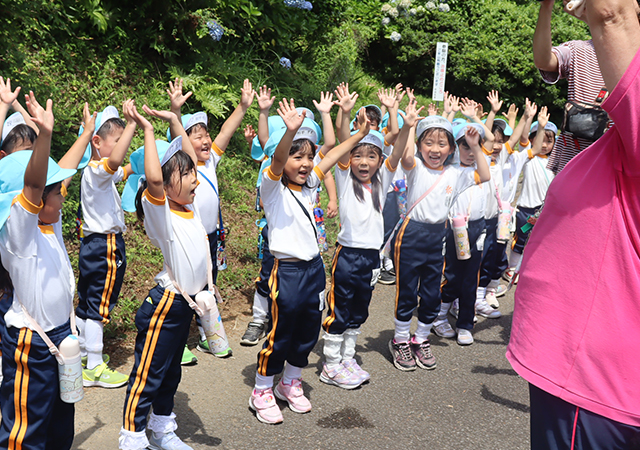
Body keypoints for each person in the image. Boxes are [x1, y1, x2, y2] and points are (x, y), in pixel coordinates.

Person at [507, 0, 640, 446]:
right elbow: (545, 61)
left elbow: (613, 13)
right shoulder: (580, 51)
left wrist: (613, 20)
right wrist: (546, 11)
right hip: (602, 372)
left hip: (595, 383)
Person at [249, 101, 370, 425]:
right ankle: (262, 389)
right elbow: (276, 160)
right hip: (286, 273)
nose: (304, 164)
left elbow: (330, 156)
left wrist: (359, 135)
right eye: (296, 156)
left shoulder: (311, 184)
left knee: (306, 332)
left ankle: (290, 382)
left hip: (313, 271)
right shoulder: (272, 188)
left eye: (308, 156)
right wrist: (289, 131)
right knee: (281, 332)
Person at [119, 104, 203, 450]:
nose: (195, 179)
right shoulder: (161, 212)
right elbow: (155, 177)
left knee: (170, 373)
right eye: (186, 176)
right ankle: (133, 437)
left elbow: (186, 159)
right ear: (166, 187)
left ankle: (161, 429)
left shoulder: (188, 206)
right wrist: (149, 131)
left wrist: (174, 122)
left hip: (185, 307)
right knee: (148, 375)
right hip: (165, 306)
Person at [386, 99, 490, 372]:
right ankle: (399, 340)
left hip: (437, 236)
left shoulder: (456, 173)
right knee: (407, 290)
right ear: (420, 146)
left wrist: (476, 145)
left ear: (451, 149)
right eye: (428, 143)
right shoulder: (416, 168)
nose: (435, 149)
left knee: (431, 292)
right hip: (410, 234)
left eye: (442, 144)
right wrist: (409, 127)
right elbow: (404, 156)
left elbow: (485, 174)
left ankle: (420, 339)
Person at [0, 91, 78, 450]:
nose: (64, 196)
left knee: (61, 427)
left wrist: (81, 134)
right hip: (32, 343)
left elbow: (52, 179)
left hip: (61, 336)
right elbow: (32, 185)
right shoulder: (21, 234)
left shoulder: (51, 225)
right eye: (57, 191)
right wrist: (44, 135)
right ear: (34, 200)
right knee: (27, 430)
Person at [167, 78, 254, 359]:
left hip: (211, 237)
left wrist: (242, 107)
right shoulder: (186, 165)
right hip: (186, 237)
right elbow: (177, 134)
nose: (206, 140)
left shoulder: (212, 160)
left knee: (208, 283)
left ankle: (208, 334)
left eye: (206, 134)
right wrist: (175, 112)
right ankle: (175, 342)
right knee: (182, 287)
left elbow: (227, 131)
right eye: (198, 136)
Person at [320, 128, 396, 388]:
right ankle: (330, 363)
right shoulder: (343, 177)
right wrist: (345, 114)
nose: (364, 162)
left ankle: (347, 357)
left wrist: (407, 125)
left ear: (380, 160)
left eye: (372, 156)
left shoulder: (382, 181)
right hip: (348, 254)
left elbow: (396, 157)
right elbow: (340, 146)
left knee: (360, 308)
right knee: (340, 307)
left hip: (372, 257)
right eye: (358, 156)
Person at [75, 101, 135, 388]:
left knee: (88, 301)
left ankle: (86, 354)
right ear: (96, 142)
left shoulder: (100, 174)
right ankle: (95, 368)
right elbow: (114, 165)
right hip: (106, 247)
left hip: (93, 245)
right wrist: (133, 124)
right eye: (118, 140)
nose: (123, 145)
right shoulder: (98, 170)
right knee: (99, 304)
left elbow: (124, 168)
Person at [533, 0, 607, 174]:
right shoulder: (578, 50)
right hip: (571, 164)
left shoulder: (633, 57)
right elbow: (543, 61)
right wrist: (546, 7)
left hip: (612, 169)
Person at [434, 123, 490, 345]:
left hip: (476, 229)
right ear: (455, 148)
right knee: (453, 276)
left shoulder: (480, 169)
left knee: (470, 279)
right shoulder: (450, 172)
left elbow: (485, 176)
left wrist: (477, 148)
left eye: (474, 147)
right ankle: (440, 315)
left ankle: (465, 323)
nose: (469, 151)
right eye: (464, 146)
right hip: (453, 230)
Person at [507, 112, 557, 281]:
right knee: (519, 241)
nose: (544, 144)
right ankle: (511, 268)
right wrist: (535, 122)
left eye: (549, 141)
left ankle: (529, 268)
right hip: (526, 209)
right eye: (540, 139)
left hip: (544, 212)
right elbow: (523, 138)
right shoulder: (530, 158)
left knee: (539, 242)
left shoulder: (554, 164)